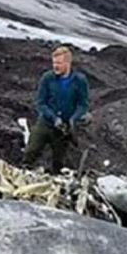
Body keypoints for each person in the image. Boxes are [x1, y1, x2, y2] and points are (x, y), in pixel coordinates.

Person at [23, 45, 90, 173]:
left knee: (59, 161)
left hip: (63, 129)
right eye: (54, 63)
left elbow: (83, 105)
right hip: (46, 122)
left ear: (68, 63)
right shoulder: (47, 78)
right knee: (31, 150)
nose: (55, 66)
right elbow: (40, 103)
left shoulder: (80, 80)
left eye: (59, 63)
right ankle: (24, 173)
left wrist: (73, 119)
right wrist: (54, 118)